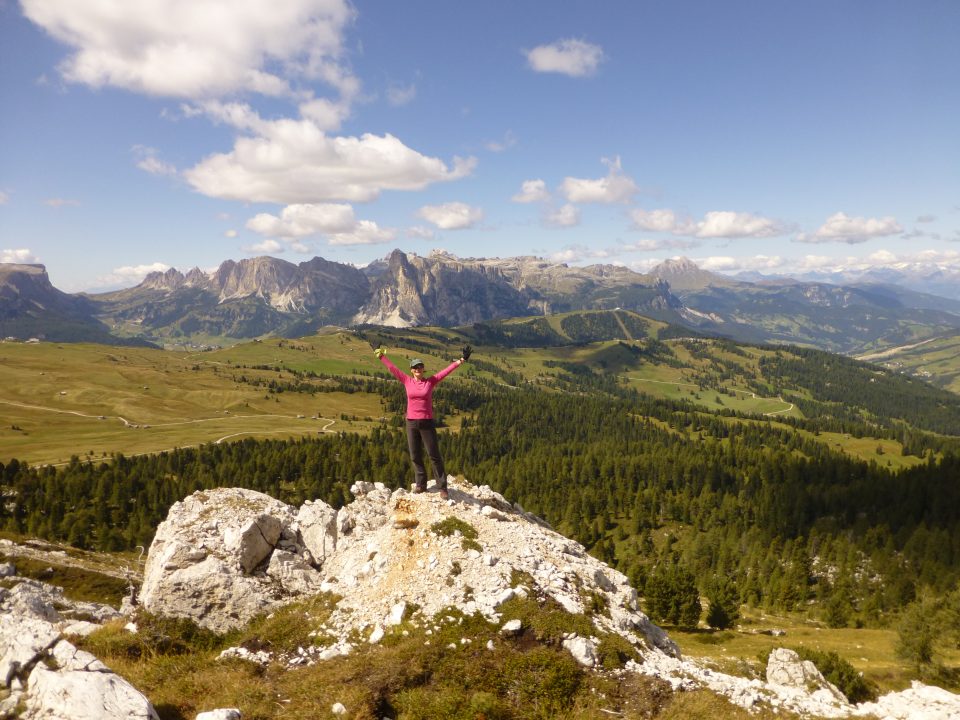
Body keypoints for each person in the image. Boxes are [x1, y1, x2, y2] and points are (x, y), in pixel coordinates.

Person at [374, 343, 471, 499]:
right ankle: (420, 484)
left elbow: (446, 371)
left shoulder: (430, 382)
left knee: (434, 454)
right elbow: (392, 368)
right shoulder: (406, 380)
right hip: (411, 422)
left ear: (423, 369)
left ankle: (442, 487)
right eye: (415, 367)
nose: (418, 369)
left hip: (426, 422)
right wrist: (379, 355)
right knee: (415, 455)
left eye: (420, 367)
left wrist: (461, 360)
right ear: (411, 370)